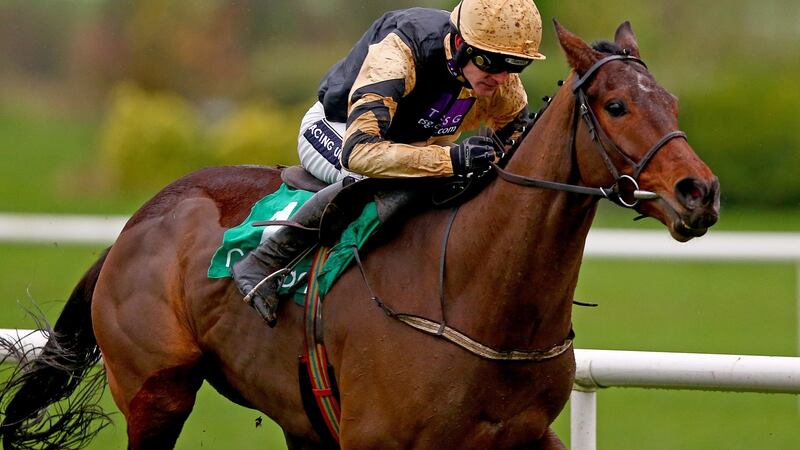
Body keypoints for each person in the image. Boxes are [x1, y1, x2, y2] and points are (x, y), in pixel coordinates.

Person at [231, 0, 546, 326]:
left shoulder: (497, 75)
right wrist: (452, 158)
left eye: (516, 65)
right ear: (459, 43)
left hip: (409, 143)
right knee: (380, 179)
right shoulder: (402, 49)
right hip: (340, 133)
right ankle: (264, 262)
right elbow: (360, 153)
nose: (501, 77)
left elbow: (515, 137)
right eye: (491, 63)